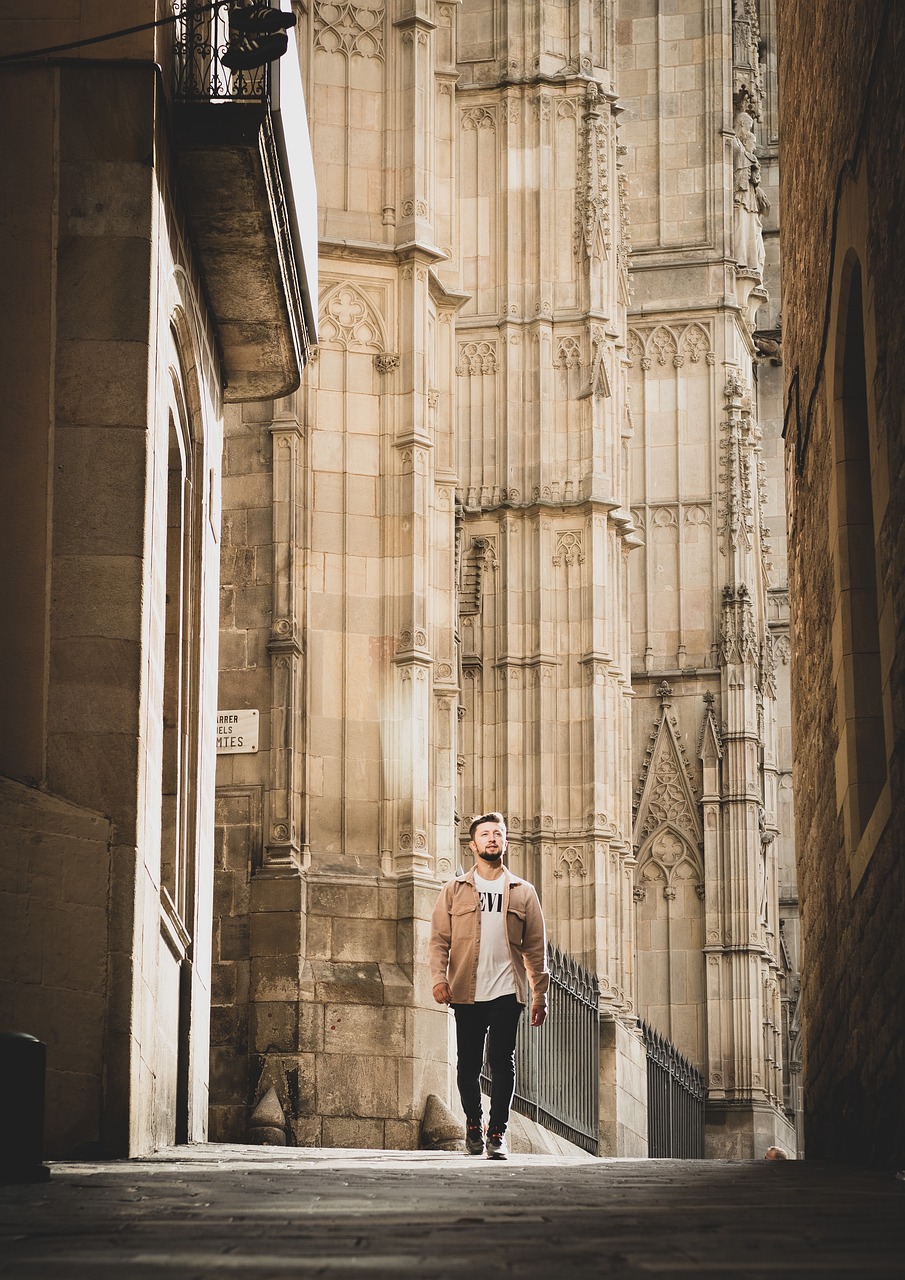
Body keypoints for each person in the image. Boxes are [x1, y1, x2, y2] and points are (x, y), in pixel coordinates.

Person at [428, 812, 550, 1160]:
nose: (492, 839)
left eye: (498, 834)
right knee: (467, 1066)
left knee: (501, 1061)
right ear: (473, 844)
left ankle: (497, 1132)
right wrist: (439, 978)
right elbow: (438, 940)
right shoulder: (453, 891)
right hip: (466, 990)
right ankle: (474, 1123)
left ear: (506, 842)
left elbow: (535, 948)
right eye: (485, 834)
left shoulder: (524, 893)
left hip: (507, 991)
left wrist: (539, 994)